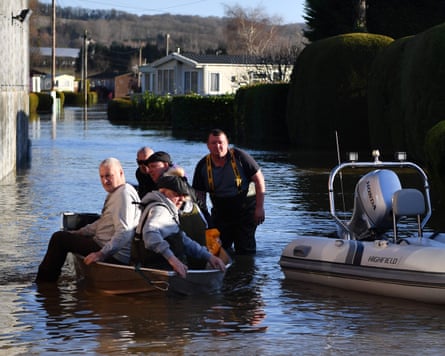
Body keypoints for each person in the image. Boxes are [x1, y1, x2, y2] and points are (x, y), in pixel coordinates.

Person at [35, 157, 141, 283]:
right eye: (101, 177)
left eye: (108, 176)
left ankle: (44, 284)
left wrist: (100, 254)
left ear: (121, 172)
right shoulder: (117, 192)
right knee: (68, 235)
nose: (104, 181)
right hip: (103, 244)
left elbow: (125, 231)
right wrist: (81, 232)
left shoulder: (123, 195)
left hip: (114, 255)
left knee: (59, 239)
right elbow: (103, 222)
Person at [134, 174, 226, 278]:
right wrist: (173, 260)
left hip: (159, 269)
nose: (181, 199)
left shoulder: (166, 208)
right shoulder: (161, 210)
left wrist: (208, 256)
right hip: (158, 272)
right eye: (176, 194)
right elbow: (150, 234)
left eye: (183, 195)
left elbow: (181, 239)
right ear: (163, 192)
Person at [192, 128, 266, 255]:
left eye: (221, 142)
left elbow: (260, 180)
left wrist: (259, 208)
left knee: (245, 250)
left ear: (227, 143)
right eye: (213, 143)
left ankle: (245, 272)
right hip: (221, 211)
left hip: (245, 210)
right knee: (217, 249)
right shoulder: (202, 166)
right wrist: (204, 219)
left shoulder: (240, 157)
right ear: (208, 146)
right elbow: (199, 195)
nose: (217, 146)